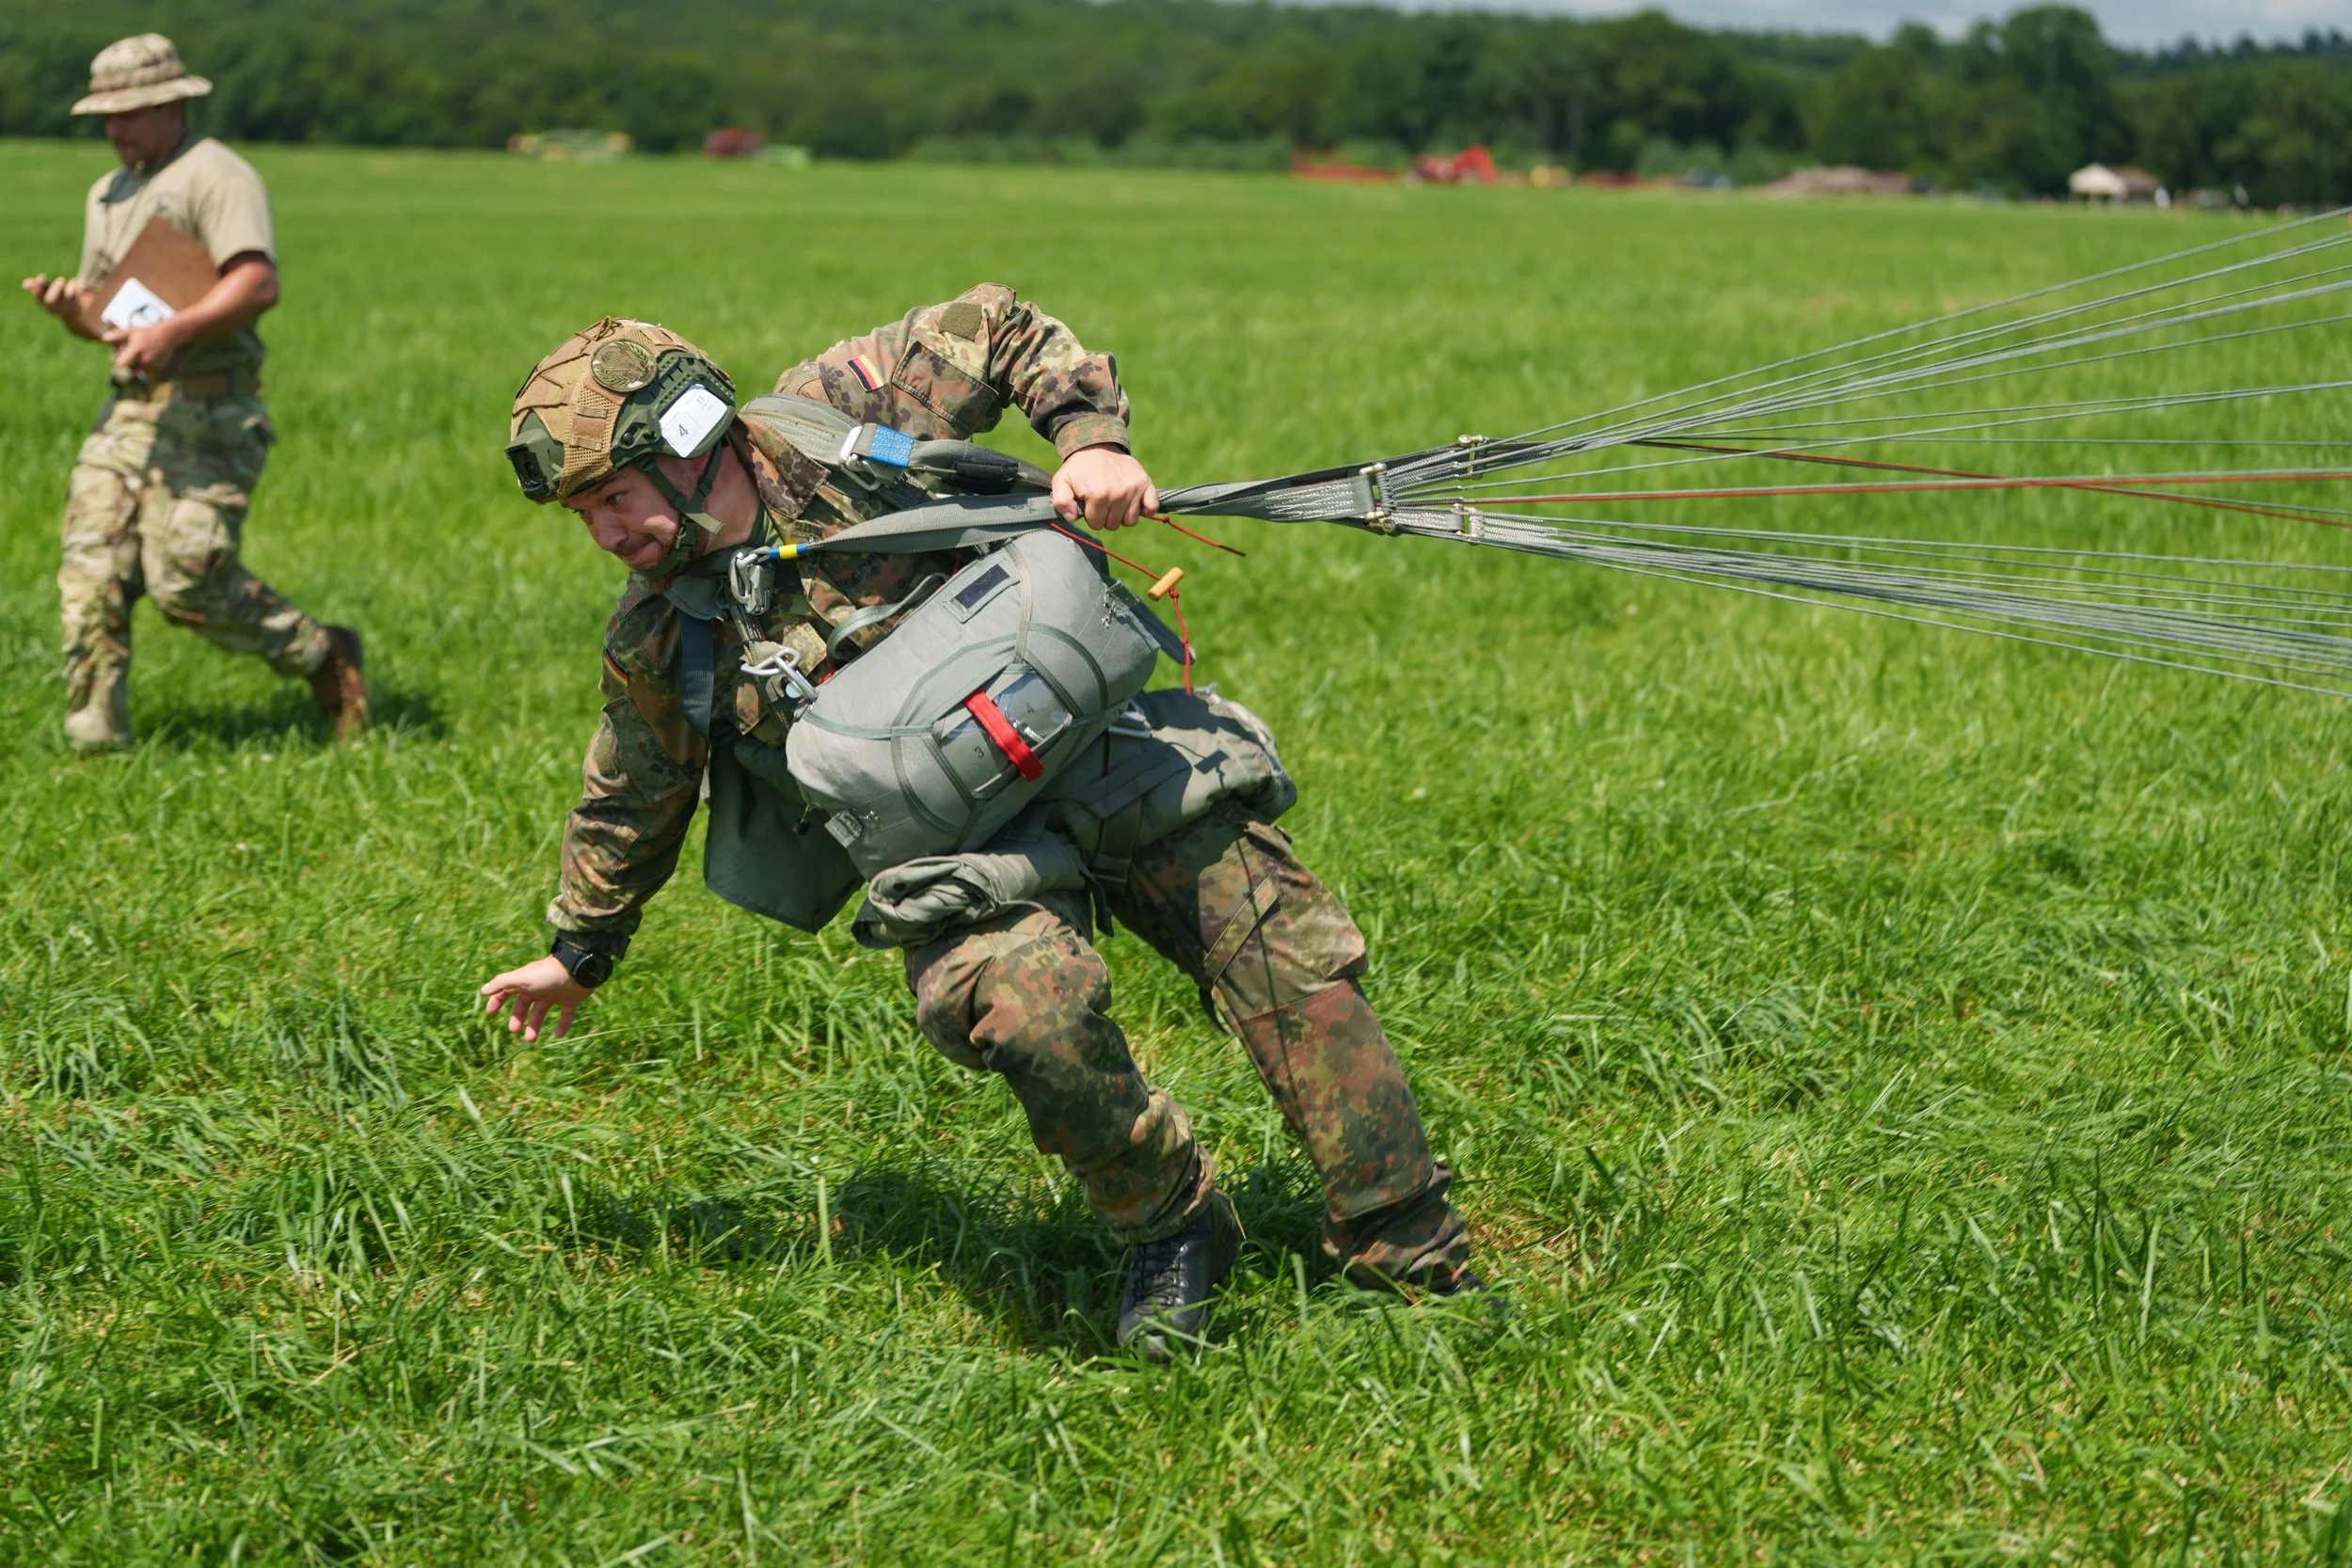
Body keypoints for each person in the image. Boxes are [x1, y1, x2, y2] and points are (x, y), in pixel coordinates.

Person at [478, 292, 1481, 1358]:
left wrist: (1089, 439)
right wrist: (577, 951)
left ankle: (1408, 1251)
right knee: (1028, 1013)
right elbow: (631, 794)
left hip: (1093, 748)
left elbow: (998, 322)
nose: (604, 534)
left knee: (1282, 946)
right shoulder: (662, 631)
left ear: (688, 442)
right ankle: (1178, 1223)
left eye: (614, 497)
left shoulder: (836, 417)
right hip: (953, 853)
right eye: (583, 514)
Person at [20, 34, 366, 752]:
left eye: (130, 113)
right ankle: (97, 744)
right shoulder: (107, 191)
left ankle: (322, 653)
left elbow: (255, 282)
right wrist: (72, 313)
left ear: (173, 103)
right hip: (130, 408)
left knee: (187, 582)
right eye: (105, 118)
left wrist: (175, 331)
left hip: (213, 407)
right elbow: (116, 318)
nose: (115, 130)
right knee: (91, 574)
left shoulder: (216, 175)